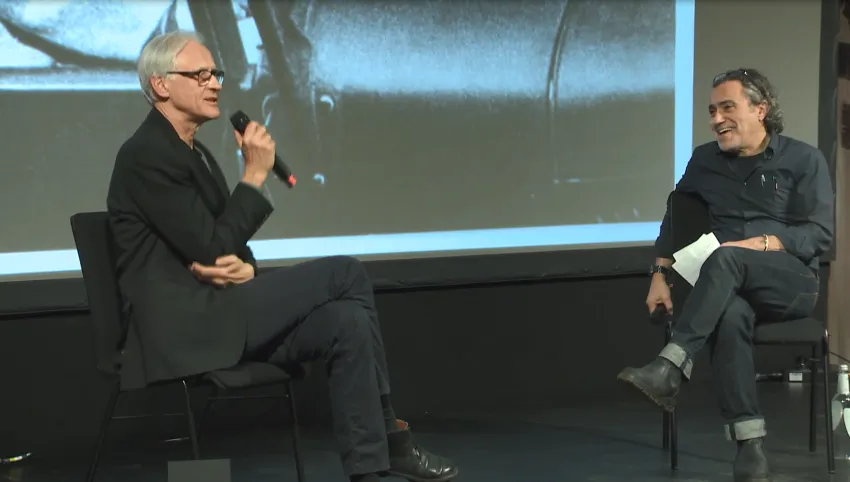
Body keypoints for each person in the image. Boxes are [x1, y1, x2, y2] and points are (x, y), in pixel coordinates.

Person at [106, 31, 458, 482]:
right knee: (345, 273)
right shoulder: (146, 154)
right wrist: (254, 174)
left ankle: (369, 471)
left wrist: (246, 267)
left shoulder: (194, 153)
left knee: (347, 322)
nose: (215, 83)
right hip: (186, 326)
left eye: (216, 73)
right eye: (200, 75)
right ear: (161, 84)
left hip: (222, 310)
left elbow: (228, 245)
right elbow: (210, 246)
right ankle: (393, 436)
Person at [617, 68, 834, 482]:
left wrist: (763, 244)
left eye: (727, 108)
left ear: (760, 109)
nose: (716, 119)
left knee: (727, 257)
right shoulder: (704, 160)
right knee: (730, 314)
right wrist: (659, 273)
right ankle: (750, 446)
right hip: (727, 283)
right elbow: (676, 217)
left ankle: (671, 366)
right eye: (712, 111)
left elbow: (820, 234)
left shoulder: (804, 159)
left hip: (790, 284)